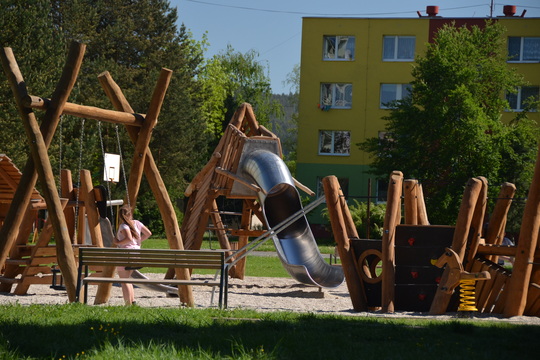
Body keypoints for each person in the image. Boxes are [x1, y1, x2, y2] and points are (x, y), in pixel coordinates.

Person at [114, 205, 152, 305]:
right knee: (128, 279)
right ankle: (132, 301)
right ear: (130, 214)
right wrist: (138, 242)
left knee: (124, 280)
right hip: (136, 253)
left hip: (125, 254)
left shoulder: (123, 226)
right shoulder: (137, 223)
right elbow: (148, 233)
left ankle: (128, 304)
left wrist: (118, 243)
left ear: (120, 216)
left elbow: (129, 239)